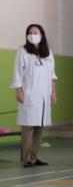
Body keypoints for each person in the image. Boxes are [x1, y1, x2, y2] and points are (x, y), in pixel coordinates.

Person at [10, 24, 57, 168]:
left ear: (42, 35)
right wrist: (18, 90)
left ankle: (34, 157)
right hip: (29, 94)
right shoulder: (22, 51)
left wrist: (53, 93)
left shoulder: (48, 53)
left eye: (35, 32)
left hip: (44, 95)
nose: (33, 34)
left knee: (39, 128)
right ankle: (26, 159)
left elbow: (52, 76)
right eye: (30, 32)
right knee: (28, 128)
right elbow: (18, 72)